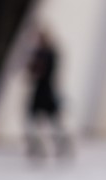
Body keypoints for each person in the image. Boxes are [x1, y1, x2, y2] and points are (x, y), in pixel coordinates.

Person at [25, 29, 72, 161]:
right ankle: (36, 146)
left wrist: (37, 70)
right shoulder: (39, 53)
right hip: (40, 91)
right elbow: (32, 70)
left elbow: (45, 71)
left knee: (53, 121)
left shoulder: (50, 53)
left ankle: (62, 145)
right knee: (34, 119)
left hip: (47, 91)